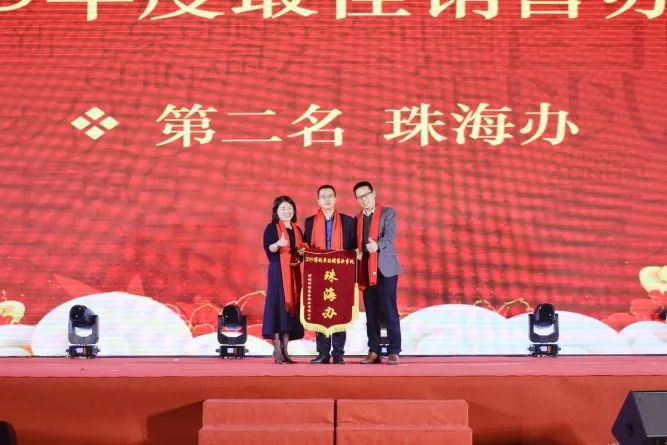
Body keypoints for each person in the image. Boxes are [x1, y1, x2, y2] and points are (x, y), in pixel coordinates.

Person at [303, 184, 357, 364]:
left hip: (341, 274)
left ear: (335, 199)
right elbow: (306, 247)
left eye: (330, 196)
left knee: (340, 311)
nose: (327, 199)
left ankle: (338, 353)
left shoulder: (348, 221)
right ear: (318, 201)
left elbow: (353, 246)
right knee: (320, 312)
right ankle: (323, 353)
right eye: (323, 196)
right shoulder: (310, 222)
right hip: (318, 274)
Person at [353, 181, 403, 365]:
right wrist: (357, 252)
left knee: (389, 309)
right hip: (366, 269)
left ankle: (394, 350)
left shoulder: (387, 213)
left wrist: (377, 245)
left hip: (385, 269)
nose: (364, 199)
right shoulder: (357, 219)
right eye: (360, 197)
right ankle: (374, 350)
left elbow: (389, 237)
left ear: (373, 194)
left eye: (366, 195)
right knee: (371, 311)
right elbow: (356, 243)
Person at [262, 196, 305, 364]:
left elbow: (301, 251)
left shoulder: (297, 229)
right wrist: (278, 244)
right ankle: (276, 350)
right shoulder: (272, 228)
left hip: (293, 272)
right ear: (276, 212)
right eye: (283, 209)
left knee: (289, 310)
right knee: (277, 308)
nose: (287, 211)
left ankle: (285, 349)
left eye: (290, 208)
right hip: (277, 272)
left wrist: (301, 254)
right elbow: (269, 249)